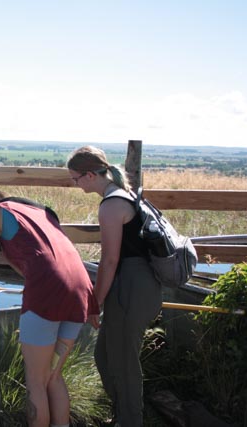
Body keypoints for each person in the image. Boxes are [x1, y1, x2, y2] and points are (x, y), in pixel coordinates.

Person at [0, 190, 99, 427]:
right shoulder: (42, 212)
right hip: (81, 289)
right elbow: (43, 262)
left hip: (47, 292)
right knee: (53, 376)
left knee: (36, 381)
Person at [67, 146, 162, 427]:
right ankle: (123, 415)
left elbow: (109, 261)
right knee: (105, 355)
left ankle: (130, 420)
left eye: (75, 179)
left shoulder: (111, 205)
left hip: (132, 284)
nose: (75, 184)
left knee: (124, 362)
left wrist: (95, 302)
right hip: (134, 283)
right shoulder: (124, 195)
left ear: (88, 175)